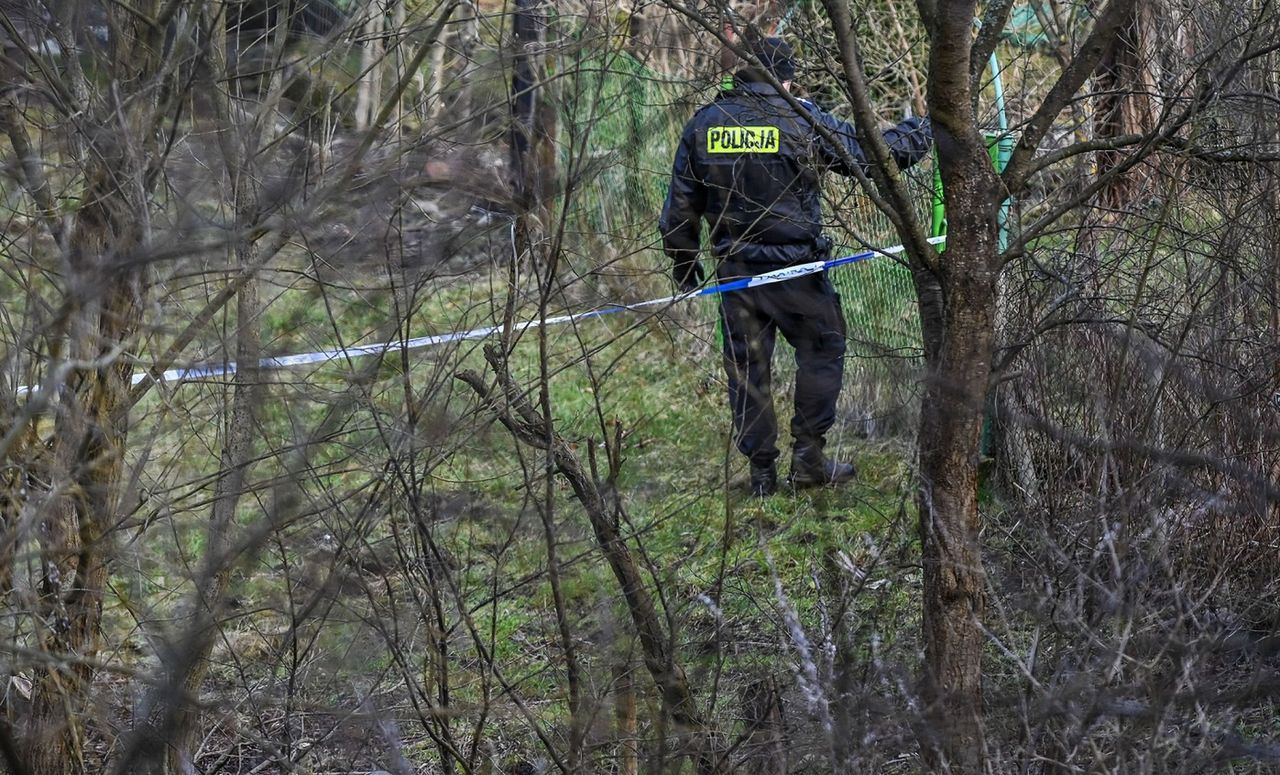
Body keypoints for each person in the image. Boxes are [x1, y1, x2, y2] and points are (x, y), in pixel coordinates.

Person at [660, 37, 933, 497]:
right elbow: (876, 156)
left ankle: (762, 474)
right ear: (785, 77)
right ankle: (808, 456)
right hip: (798, 273)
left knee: (748, 369)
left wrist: (685, 267)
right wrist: (927, 128)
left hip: (736, 275)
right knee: (822, 352)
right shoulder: (802, 119)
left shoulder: (704, 123)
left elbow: (680, 210)